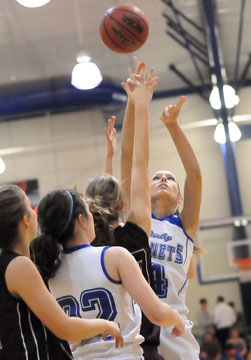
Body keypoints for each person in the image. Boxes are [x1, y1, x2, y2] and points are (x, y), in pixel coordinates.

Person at [31, 189, 185, 360]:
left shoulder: (48, 271)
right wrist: (177, 319)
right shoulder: (115, 256)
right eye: (89, 212)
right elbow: (157, 313)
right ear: (81, 220)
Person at [85, 60, 170, 360]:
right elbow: (138, 163)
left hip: (96, 351)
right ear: (122, 205)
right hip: (142, 349)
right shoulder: (134, 234)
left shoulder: (83, 246)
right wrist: (140, 105)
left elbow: (128, 164)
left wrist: (135, 105)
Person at [120, 59, 202, 359]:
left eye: (170, 178)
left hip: (175, 325)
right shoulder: (137, 217)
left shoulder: (186, 226)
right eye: (157, 177)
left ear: (179, 197)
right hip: (140, 325)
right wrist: (133, 104)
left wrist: (173, 126)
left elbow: (195, 174)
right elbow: (129, 157)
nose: (164, 179)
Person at [0, 184, 123, 360]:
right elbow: (64, 327)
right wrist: (105, 325)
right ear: (25, 220)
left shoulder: (10, 265)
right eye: (29, 206)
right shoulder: (19, 266)